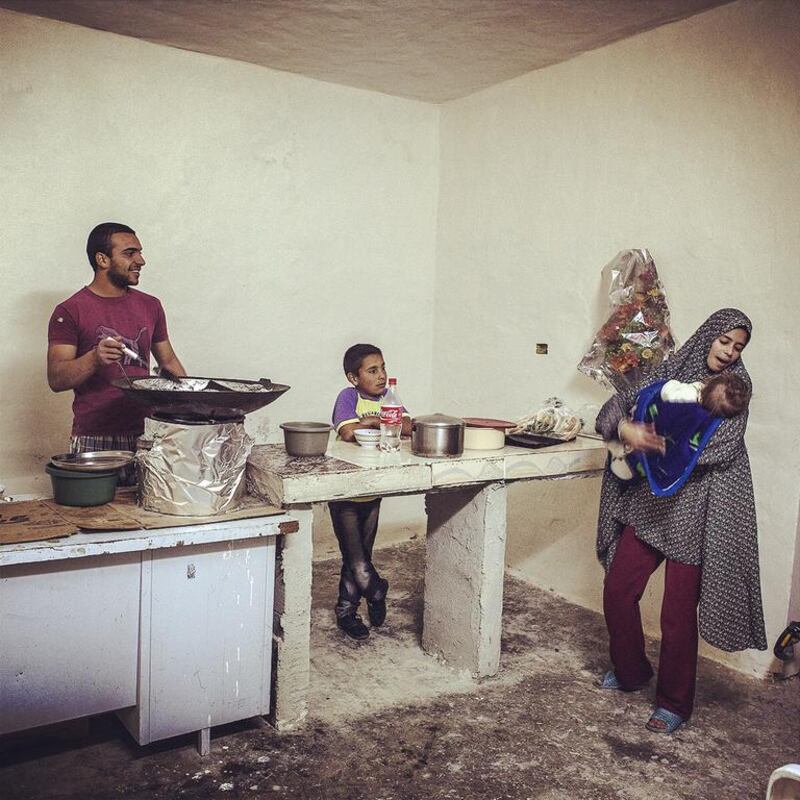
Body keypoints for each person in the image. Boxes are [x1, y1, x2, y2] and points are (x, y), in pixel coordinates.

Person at [595, 308, 766, 734]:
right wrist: (625, 428)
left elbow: (720, 449)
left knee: (676, 614)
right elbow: (610, 411)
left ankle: (674, 702)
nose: (729, 353)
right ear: (709, 336)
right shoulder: (669, 368)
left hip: (693, 514)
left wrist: (654, 440)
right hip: (651, 505)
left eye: (738, 347)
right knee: (618, 589)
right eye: (724, 341)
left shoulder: (734, 389)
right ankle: (631, 671)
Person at [47, 222, 186, 485]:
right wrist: (94, 358)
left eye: (140, 252)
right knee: (96, 516)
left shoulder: (151, 305)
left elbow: (168, 361)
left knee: (151, 515)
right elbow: (56, 379)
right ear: (102, 259)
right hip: (94, 438)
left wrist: (192, 410)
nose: (141, 260)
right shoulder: (69, 311)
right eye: (130, 253)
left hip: (148, 433)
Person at [329, 343, 412, 640]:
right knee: (358, 561)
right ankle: (377, 591)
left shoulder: (390, 397)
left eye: (383, 368)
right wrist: (384, 420)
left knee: (360, 555)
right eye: (372, 370)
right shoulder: (348, 397)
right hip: (345, 490)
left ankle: (346, 613)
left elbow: (408, 425)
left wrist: (376, 420)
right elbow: (349, 431)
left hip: (373, 488)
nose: (381, 376)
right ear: (354, 377)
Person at [607, 371, 751, 484]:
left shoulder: (687, 394)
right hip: (656, 442)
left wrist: (672, 384)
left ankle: (628, 457)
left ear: (707, 382)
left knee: (646, 444)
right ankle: (634, 464)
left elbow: (665, 391)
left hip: (648, 422)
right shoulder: (707, 423)